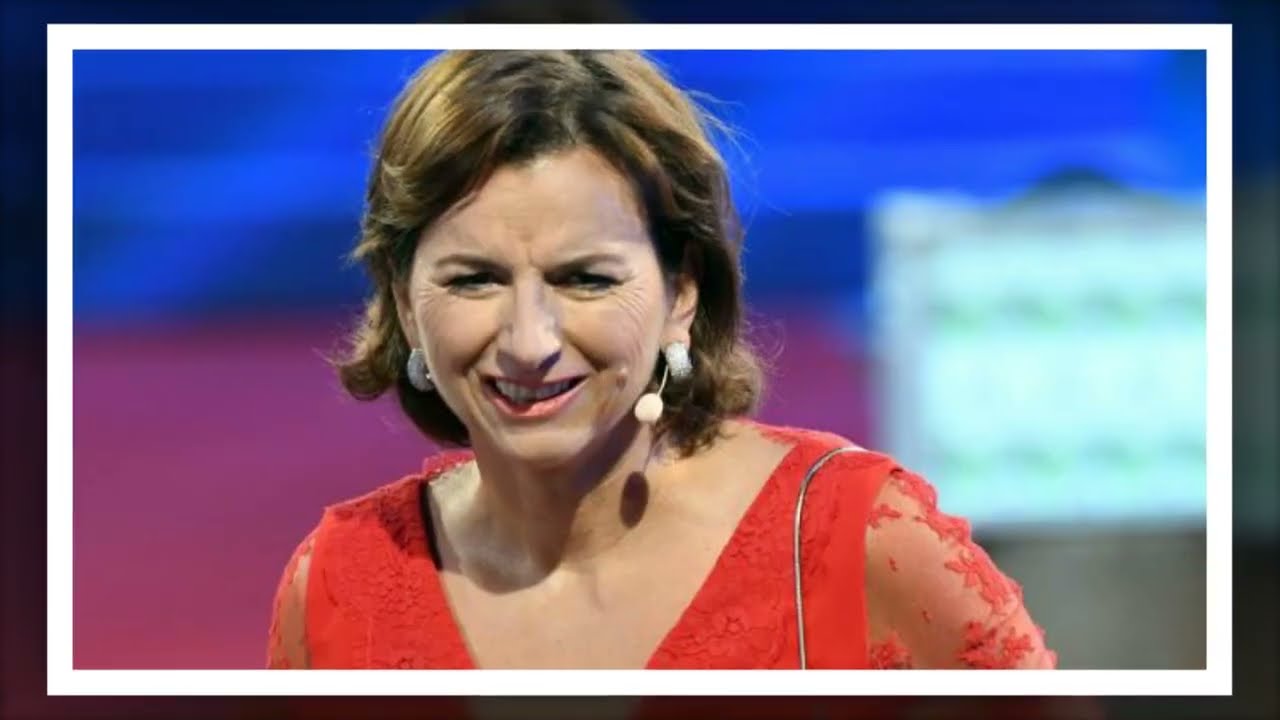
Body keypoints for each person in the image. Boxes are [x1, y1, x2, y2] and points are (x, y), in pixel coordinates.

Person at [265, 49, 1057, 670]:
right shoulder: (340, 583)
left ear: (683, 291)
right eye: (474, 280)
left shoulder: (858, 541)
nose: (530, 342)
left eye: (586, 279)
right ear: (405, 302)